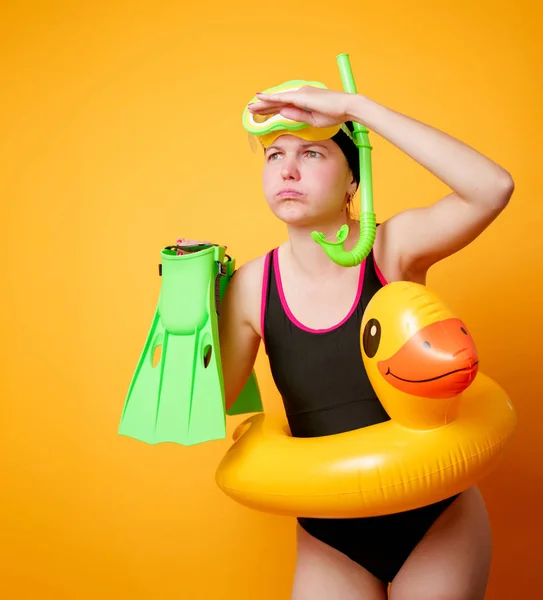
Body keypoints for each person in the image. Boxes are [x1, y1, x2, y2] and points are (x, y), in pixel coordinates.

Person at [185, 84, 514, 599]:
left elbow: (492, 187)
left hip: (434, 520)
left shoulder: (393, 248)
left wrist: (357, 110)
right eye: (275, 155)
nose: (288, 171)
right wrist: (187, 300)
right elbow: (209, 404)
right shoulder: (251, 285)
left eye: (311, 152)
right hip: (330, 531)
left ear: (352, 181)